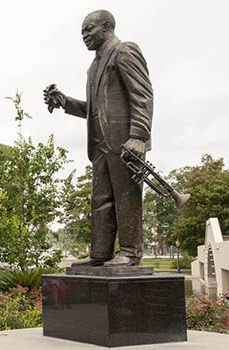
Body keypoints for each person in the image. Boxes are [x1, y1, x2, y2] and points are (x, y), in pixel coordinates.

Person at [44, 9, 153, 266]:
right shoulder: (93, 68)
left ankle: (130, 253)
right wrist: (65, 102)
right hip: (100, 144)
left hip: (125, 142)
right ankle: (101, 254)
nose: (84, 36)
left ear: (106, 26)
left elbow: (143, 95)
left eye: (88, 30)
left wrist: (138, 135)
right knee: (101, 199)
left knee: (126, 195)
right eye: (82, 32)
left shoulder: (125, 51)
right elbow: (95, 111)